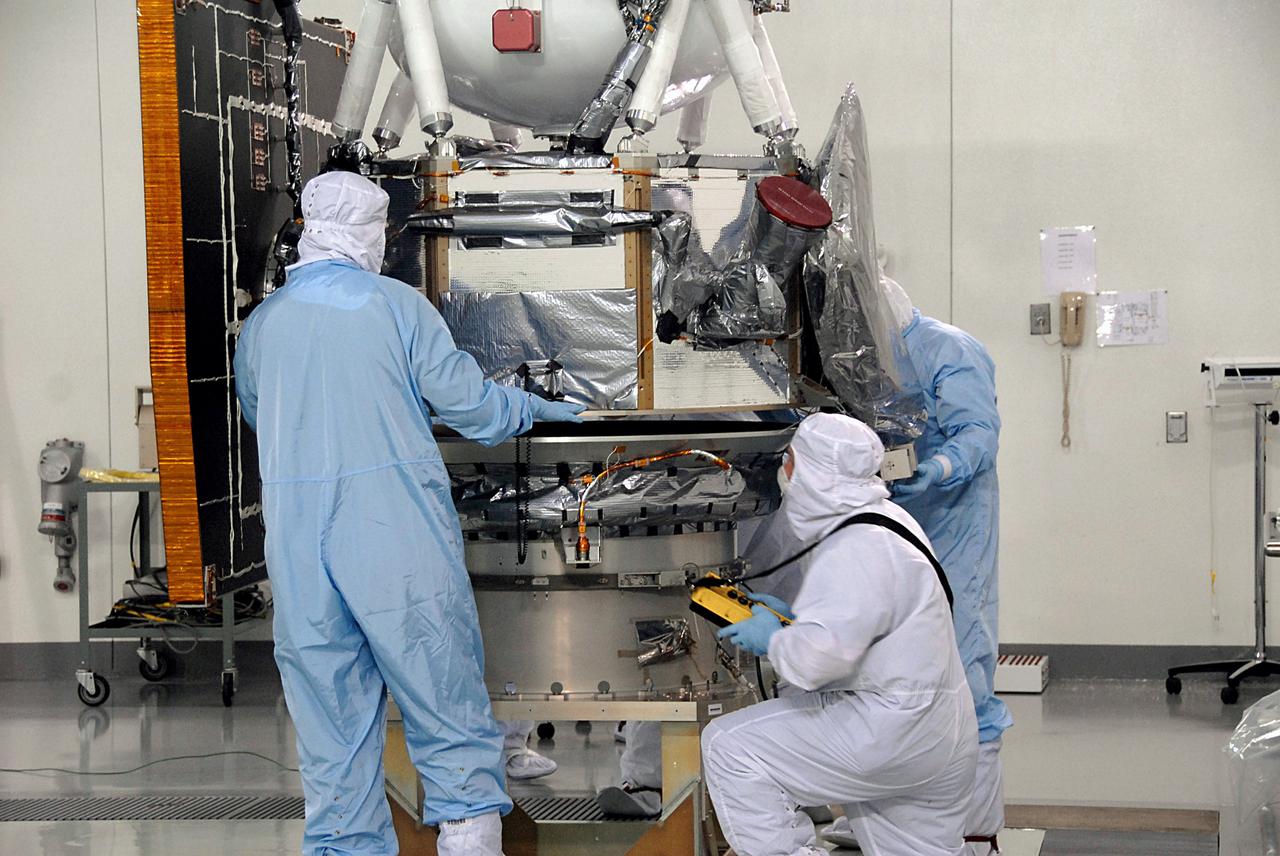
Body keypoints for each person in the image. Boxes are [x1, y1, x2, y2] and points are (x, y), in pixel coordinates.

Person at [234, 171, 584, 856]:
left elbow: (258, 413)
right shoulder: (395, 305)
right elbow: (471, 410)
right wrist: (527, 407)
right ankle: (469, 836)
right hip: (390, 529)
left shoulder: (264, 324)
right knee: (442, 699)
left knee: (330, 722)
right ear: (372, 231)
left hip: (301, 545)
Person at [703, 413, 978, 856]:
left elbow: (813, 665)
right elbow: (876, 617)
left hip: (889, 730)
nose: (784, 472)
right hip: (944, 729)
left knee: (730, 747)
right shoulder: (889, 519)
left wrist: (774, 639)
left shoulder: (853, 545)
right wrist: (797, 618)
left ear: (807, 469)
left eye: (789, 460)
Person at [878, 275, 1012, 854]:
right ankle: (884, 815)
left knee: (962, 660)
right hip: (889, 523)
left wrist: (935, 471)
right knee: (885, 665)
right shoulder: (863, 356)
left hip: (954, 520)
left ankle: (976, 826)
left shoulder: (946, 349)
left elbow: (979, 434)